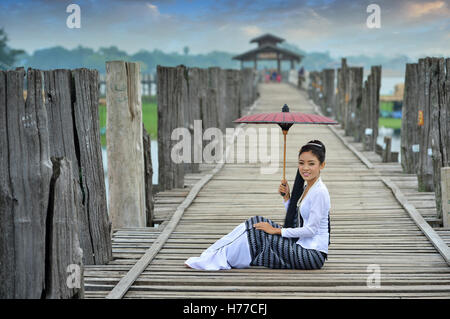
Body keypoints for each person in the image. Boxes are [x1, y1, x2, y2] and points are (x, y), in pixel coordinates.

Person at [184, 140, 330, 270]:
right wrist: (287, 198)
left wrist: (277, 231)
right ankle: (214, 254)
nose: (305, 168)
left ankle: (219, 258)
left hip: (311, 255)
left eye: (311, 163)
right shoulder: (308, 188)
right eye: (301, 163)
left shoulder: (319, 192)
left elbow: (311, 230)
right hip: (302, 245)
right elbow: (298, 220)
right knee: (257, 222)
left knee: (259, 233)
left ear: (321, 165)